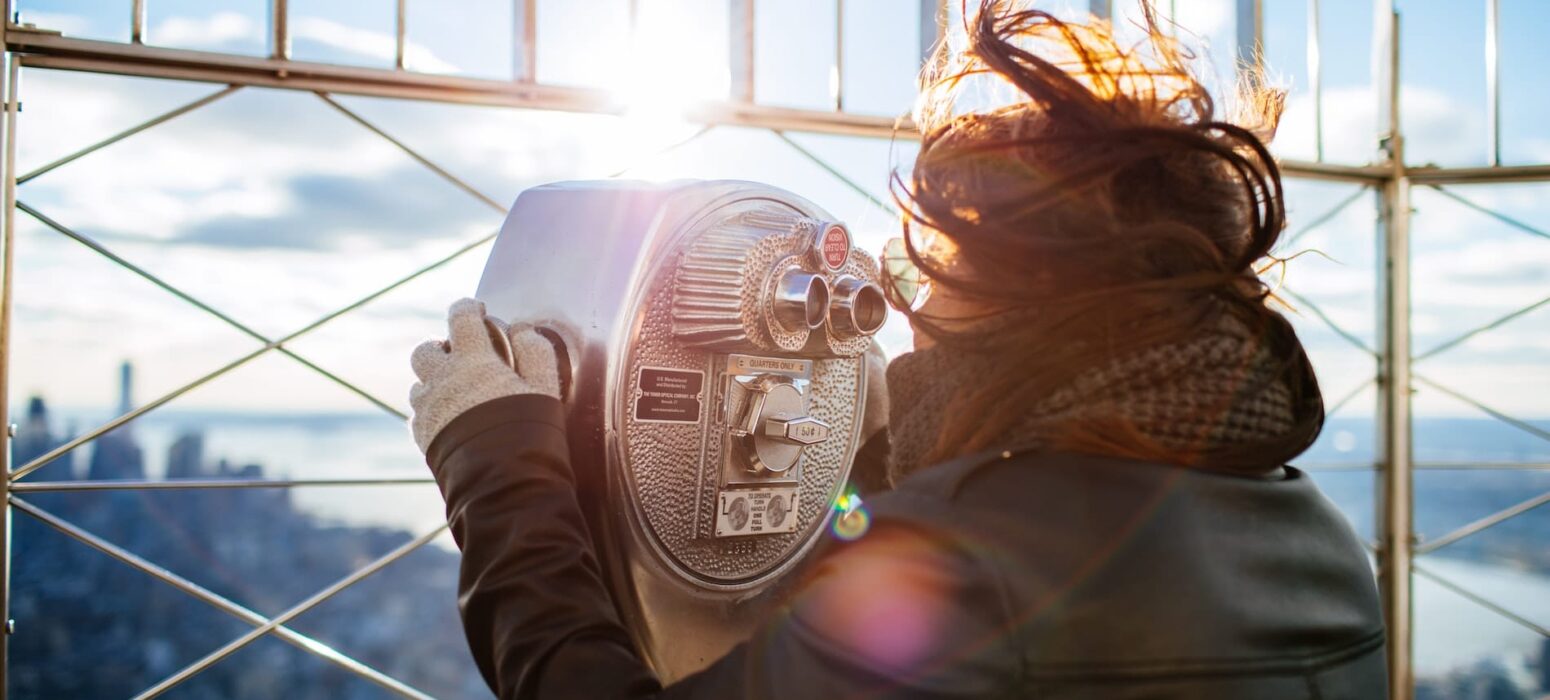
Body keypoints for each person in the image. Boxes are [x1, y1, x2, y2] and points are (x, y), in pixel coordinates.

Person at [407, 2, 1387, 698]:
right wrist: (868, 466)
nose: (909, 319)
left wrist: (496, 460)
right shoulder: (1320, 544)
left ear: (1017, 309)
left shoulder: (975, 567)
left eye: (939, 278)